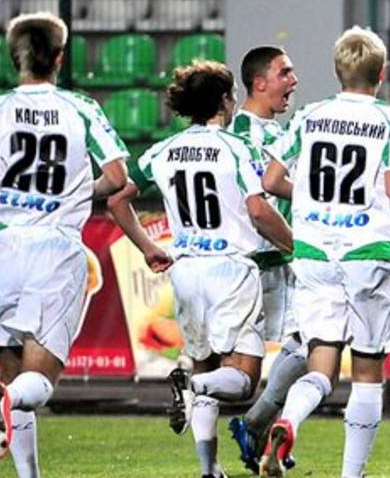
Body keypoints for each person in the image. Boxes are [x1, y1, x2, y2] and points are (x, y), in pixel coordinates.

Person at [0, 12, 129, 478]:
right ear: (59, 57)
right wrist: (79, 192)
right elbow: (117, 177)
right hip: (54, 248)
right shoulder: (81, 108)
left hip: (2, 247)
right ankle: (7, 397)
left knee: (12, 368)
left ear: (13, 57)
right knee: (36, 381)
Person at [258, 26, 390, 478]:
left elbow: (270, 181)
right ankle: (352, 474)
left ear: (338, 71)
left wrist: (312, 199)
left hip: (314, 253)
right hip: (367, 252)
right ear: (381, 73)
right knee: (368, 372)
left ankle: (290, 420)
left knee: (321, 365)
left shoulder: (309, 116)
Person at [106, 60, 293, 478]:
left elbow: (117, 200)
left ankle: (209, 469)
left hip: (187, 270)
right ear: (224, 101)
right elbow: (259, 209)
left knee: (206, 365)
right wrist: (295, 246)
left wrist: (149, 247)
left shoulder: (163, 151)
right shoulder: (237, 148)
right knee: (241, 380)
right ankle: (191, 386)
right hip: (232, 270)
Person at [227, 46, 306, 474]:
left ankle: (261, 431)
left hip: (282, 258)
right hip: (257, 262)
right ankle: (253, 426)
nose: (293, 81)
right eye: (284, 73)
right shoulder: (239, 133)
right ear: (259, 82)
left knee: (312, 344)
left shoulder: (280, 132)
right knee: (246, 369)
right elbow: (261, 195)